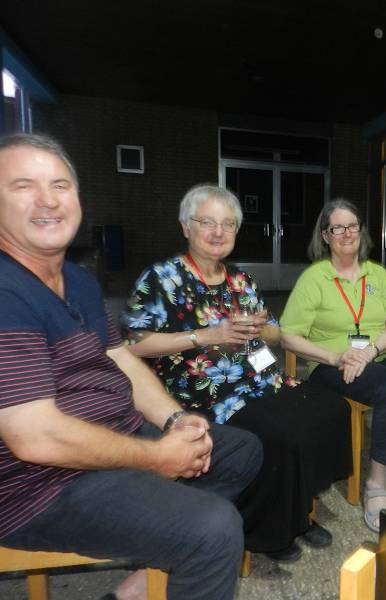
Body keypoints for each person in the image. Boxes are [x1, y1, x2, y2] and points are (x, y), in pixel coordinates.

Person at [0, 133, 262, 600]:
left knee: (241, 450)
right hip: (38, 484)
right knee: (214, 528)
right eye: (23, 186)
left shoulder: (78, 280)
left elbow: (120, 356)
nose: (47, 200)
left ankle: (145, 579)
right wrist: (156, 457)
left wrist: (175, 420)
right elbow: (34, 437)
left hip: (115, 432)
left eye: (60, 185)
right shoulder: (5, 292)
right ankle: (189, 544)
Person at [122, 184, 351, 564]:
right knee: (282, 434)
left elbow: (275, 334)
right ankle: (266, 529)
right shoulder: (162, 278)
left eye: (228, 224)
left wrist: (261, 329)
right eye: (207, 222)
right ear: (186, 227)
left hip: (260, 379)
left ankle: (297, 508)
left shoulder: (240, 280)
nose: (218, 232)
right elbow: (133, 345)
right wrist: (205, 336)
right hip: (206, 392)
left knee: (330, 409)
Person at [280, 198, 386, 533]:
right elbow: (287, 336)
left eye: (352, 226)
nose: (347, 233)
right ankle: (376, 483)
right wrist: (336, 357)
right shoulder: (314, 278)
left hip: (378, 354)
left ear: (361, 231)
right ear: (325, 236)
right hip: (331, 364)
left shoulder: (377, 274)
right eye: (338, 228)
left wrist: (369, 352)